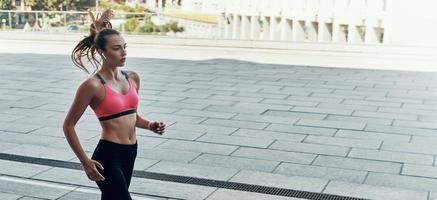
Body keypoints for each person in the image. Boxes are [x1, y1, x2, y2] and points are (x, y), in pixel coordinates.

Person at [63, 9, 166, 200]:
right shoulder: (92, 85)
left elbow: (130, 116)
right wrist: (85, 161)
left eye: (124, 47)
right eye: (117, 48)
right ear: (102, 52)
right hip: (107, 156)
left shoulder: (132, 78)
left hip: (130, 151)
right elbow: (68, 125)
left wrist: (150, 125)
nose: (124, 53)